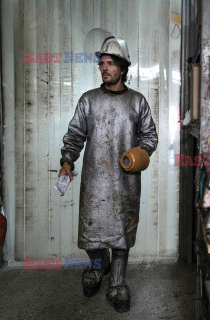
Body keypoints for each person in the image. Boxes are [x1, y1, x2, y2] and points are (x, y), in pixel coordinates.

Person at [58, 35, 158, 313]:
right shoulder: (88, 100)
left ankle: (117, 282)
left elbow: (150, 137)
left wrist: (140, 153)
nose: (104, 68)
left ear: (123, 68)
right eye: (102, 63)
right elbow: (75, 135)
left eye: (110, 64)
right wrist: (67, 160)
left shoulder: (137, 101)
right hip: (94, 179)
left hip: (126, 180)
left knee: (121, 234)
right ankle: (97, 267)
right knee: (92, 228)